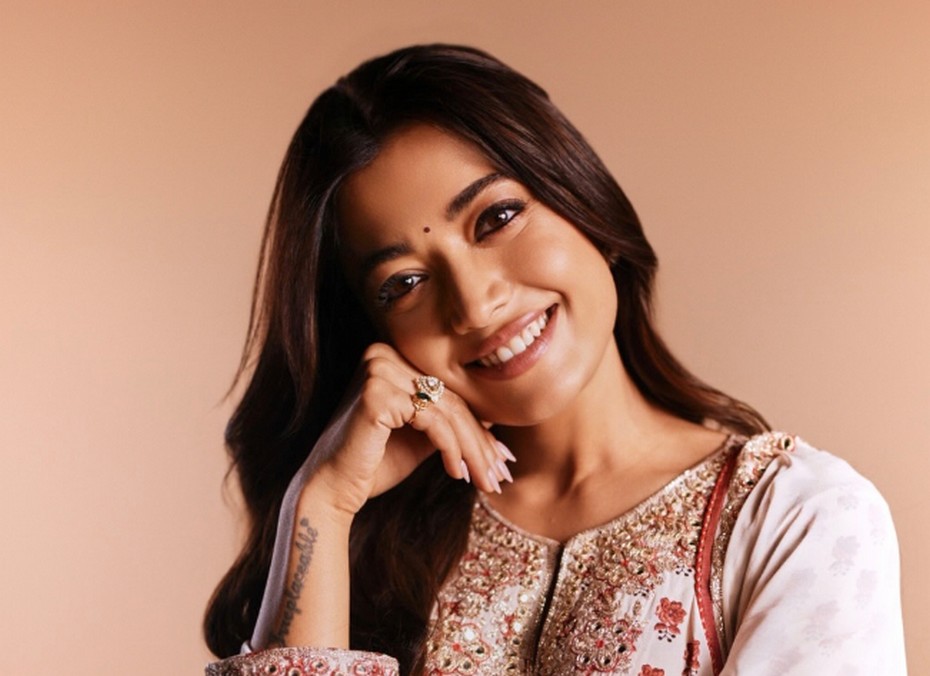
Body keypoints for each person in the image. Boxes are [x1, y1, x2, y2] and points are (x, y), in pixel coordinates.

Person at [203, 44, 906, 675]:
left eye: (496, 218)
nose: (475, 305)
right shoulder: (371, 547)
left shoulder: (798, 519)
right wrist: (321, 506)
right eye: (405, 283)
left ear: (581, 199)